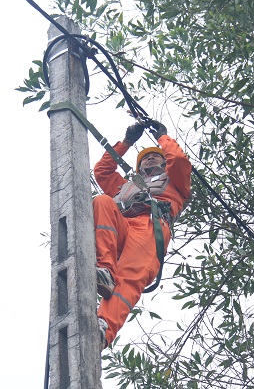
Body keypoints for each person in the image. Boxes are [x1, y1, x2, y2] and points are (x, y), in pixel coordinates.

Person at [92, 118, 192, 350]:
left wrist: (162, 137)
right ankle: (105, 269)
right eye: (144, 157)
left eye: (155, 155)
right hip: (123, 225)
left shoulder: (175, 182)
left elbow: (177, 159)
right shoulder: (126, 185)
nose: (149, 158)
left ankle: (104, 328)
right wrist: (127, 141)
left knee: (130, 277)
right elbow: (102, 171)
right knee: (103, 202)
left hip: (151, 226)